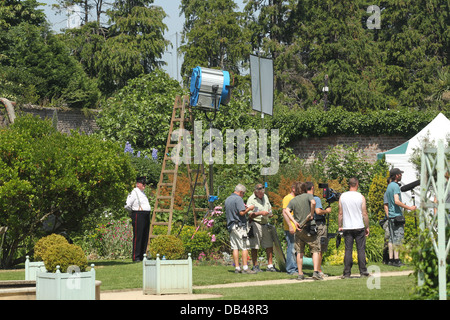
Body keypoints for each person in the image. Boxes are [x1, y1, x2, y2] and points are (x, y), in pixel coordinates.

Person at [285, 182, 322, 280]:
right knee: (315, 250)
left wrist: (294, 222)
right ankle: (315, 272)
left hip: (299, 229)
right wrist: (311, 213)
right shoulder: (308, 196)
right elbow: (313, 203)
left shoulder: (294, 200)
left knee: (299, 252)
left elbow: (286, 210)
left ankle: (300, 274)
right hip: (310, 228)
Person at [338, 177, 370, 278]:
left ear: (349, 184)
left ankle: (347, 273)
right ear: (357, 184)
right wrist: (367, 226)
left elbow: (340, 213)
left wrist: (340, 226)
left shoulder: (343, 196)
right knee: (361, 249)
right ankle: (363, 272)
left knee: (348, 250)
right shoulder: (360, 196)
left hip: (347, 227)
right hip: (359, 226)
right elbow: (364, 213)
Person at [385, 168, 416, 267]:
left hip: (391, 216)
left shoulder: (389, 186)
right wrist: (409, 208)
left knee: (392, 239)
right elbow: (397, 201)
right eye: (400, 174)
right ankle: (397, 260)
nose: (401, 176)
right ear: (397, 175)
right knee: (398, 238)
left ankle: (391, 260)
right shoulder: (395, 186)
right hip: (397, 216)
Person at [225, 184, 256, 274]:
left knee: (235, 247)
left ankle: (237, 268)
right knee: (244, 246)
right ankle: (245, 268)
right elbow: (242, 213)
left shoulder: (228, 199)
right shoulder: (238, 199)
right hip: (239, 226)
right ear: (241, 192)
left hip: (231, 226)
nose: (243, 195)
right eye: (243, 194)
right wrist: (249, 208)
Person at [247, 183, 276, 272]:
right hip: (256, 223)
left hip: (265, 223)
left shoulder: (265, 196)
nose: (262, 195)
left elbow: (269, 208)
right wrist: (260, 213)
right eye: (260, 194)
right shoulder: (251, 200)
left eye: (263, 194)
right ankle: (255, 266)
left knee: (269, 245)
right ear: (256, 192)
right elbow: (249, 215)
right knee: (255, 246)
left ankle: (270, 265)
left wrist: (270, 213)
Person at [124, 176, 151, 262]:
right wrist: (132, 214)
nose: (144, 185)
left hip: (145, 214)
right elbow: (128, 205)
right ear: (138, 184)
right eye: (143, 183)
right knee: (138, 236)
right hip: (138, 214)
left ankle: (143, 255)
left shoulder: (142, 193)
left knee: (145, 235)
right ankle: (136, 257)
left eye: (145, 183)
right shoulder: (134, 193)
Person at [282, 182, 299, 275]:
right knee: (291, 248)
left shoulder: (295, 198)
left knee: (296, 249)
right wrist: (289, 226)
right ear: (293, 189)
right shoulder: (288, 198)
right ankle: (291, 269)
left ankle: (295, 268)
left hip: (296, 227)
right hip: (291, 227)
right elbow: (284, 212)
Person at [313, 193, 332, 278]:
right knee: (320, 248)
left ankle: (300, 272)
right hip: (318, 225)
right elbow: (318, 211)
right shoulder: (316, 198)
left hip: (307, 225)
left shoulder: (301, 198)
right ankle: (318, 270)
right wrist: (327, 211)